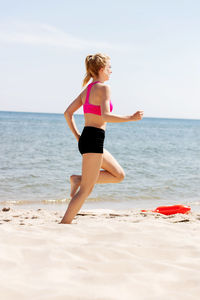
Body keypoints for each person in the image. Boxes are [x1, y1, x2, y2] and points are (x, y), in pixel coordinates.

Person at [60, 53, 144, 224]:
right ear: (101, 69)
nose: (111, 71)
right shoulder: (104, 88)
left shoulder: (87, 90)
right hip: (93, 139)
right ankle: (64, 224)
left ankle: (78, 178)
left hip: (88, 138)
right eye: (109, 68)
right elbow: (105, 115)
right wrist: (131, 117)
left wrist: (78, 136)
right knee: (85, 190)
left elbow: (68, 113)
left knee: (119, 175)